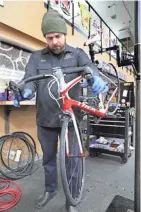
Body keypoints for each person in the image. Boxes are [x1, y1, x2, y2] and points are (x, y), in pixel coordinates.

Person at [14, 9, 108, 212]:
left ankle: (72, 196)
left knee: (72, 158)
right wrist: (25, 91)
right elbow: (28, 80)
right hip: (45, 120)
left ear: (64, 34)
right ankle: (50, 189)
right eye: (50, 37)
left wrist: (94, 76)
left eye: (58, 36)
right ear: (45, 38)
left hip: (71, 120)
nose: (55, 41)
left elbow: (89, 66)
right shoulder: (36, 58)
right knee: (48, 158)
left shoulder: (77, 54)